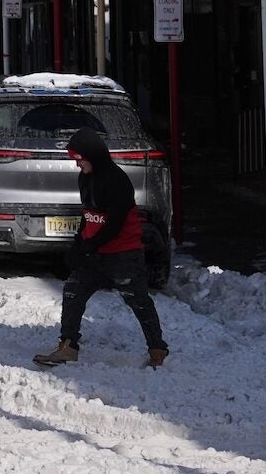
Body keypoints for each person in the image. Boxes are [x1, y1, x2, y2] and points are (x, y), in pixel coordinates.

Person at [33, 128, 169, 369]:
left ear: (92, 156)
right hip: (95, 253)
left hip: (123, 254)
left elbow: (114, 223)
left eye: (79, 159)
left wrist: (89, 246)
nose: (77, 165)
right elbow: (89, 215)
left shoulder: (117, 181)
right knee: (73, 292)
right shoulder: (85, 178)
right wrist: (78, 243)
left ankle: (157, 348)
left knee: (138, 300)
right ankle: (68, 346)